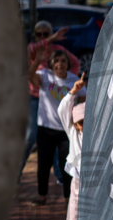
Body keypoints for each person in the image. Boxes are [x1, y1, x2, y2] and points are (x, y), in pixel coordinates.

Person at [38, 74, 86, 220]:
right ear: (75, 124)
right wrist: (73, 92)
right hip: (78, 184)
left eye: (88, 120)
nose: (85, 125)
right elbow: (61, 110)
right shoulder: (73, 134)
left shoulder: (102, 137)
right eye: (81, 122)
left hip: (100, 185)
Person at [20, 22, 80, 178]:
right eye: (39, 34)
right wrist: (52, 38)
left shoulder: (57, 52)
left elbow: (76, 63)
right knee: (30, 136)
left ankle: (60, 176)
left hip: (50, 97)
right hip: (34, 97)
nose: (42, 37)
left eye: (45, 34)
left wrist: (65, 80)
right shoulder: (33, 48)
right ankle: (17, 172)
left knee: (55, 135)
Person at [27, 48, 85, 204]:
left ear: (67, 64)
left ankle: (68, 198)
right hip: (45, 129)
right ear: (51, 64)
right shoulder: (45, 76)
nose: (60, 64)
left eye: (63, 61)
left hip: (65, 131)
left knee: (68, 163)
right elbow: (30, 76)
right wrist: (37, 60)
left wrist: (78, 121)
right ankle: (42, 196)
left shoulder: (74, 80)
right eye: (56, 61)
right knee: (43, 164)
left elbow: (83, 102)